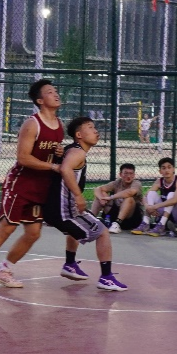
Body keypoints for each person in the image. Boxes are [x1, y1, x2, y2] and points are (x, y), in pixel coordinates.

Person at [0, 79, 65, 293]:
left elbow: (49, 152)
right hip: (21, 184)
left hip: (41, 187)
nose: (56, 94)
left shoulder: (59, 124)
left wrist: (58, 153)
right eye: (50, 92)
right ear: (40, 100)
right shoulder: (32, 124)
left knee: (33, 233)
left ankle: (4, 270)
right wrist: (53, 166)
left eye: (55, 91)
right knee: (7, 228)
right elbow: (23, 158)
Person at [41, 117, 127, 290]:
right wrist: (78, 196)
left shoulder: (70, 149)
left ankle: (70, 264)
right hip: (63, 210)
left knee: (77, 227)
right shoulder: (77, 152)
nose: (96, 131)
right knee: (102, 232)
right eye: (90, 127)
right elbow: (65, 169)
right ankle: (106, 277)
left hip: (56, 208)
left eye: (95, 127)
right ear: (79, 135)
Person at [134, 156, 177, 237]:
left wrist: (155, 206)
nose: (167, 170)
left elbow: (175, 200)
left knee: (171, 195)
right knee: (151, 193)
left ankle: (161, 225)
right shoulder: (159, 181)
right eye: (164, 168)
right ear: (160, 171)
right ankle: (145, 223)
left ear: (174, 169)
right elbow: (145, 196)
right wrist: (148, 207)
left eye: (169, 167)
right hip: (165, 212)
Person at [91, 163, 143, 234]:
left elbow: (130, 192)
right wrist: (101, 198)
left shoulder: (136, 183)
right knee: (100, 195)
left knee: (129, 199)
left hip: (130, 218)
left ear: (134, 175)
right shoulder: (117, 182)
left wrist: (111, 197)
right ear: (120, 174)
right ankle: (90, 220)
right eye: (126, 173)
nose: (128, 176)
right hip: (114, 214)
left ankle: (117, 224)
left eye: (131, 174)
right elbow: (98, 189)